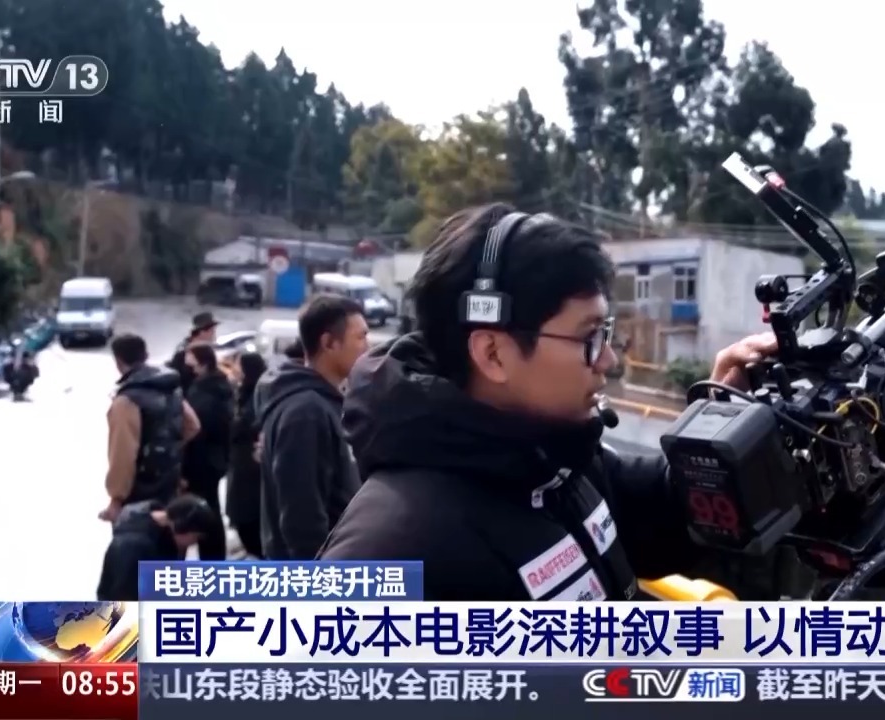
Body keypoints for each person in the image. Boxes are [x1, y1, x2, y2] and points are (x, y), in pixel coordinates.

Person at [317, 204, 777, 600]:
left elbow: (662, 512)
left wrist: (724, 423)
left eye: (607, 333)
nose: (609, 360)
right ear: (493, 354)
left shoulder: (554, 459)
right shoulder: (393, 549)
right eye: (589, 337)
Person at [257, 294, 370, 560]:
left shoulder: (325, 401)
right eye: (360, 337)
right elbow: (302, 516)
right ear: (329, 343)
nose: (368, 347)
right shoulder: (306, 412)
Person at [101, 334, 201, 523]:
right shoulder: (169, 386)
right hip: (170, 483)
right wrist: (167, 448)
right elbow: (193, 425)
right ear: (146, 355)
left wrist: (116, 499)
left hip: (139, 491)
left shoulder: (126, 400)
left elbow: (123, 453)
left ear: (118, 361)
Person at [96, 494, 223, 601]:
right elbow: (125, 597)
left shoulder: (161, 534)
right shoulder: (135, 547)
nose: (193, 543)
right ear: (183, 526)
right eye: (195, 537)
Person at [181, 344, 233, 560]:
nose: (188, 366)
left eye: (191, 361)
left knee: (205, 511)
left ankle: (212, 559)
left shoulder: (206, 391)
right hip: (214, 459)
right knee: (208, 508)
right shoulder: (217, 385)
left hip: (203, 461)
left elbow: (200, 427)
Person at [227, 351, 267, 558]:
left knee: (249, 514)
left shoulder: (257, 397)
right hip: (241, 464)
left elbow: (245, 427)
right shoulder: (243, 394)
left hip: (251, 466)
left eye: (237, 366)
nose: (233, 370)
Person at [169, 312, 219, 394]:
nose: (214, 334)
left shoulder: (204, 347)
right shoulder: (187, 351)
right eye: (212, 331)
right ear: (202, 332)